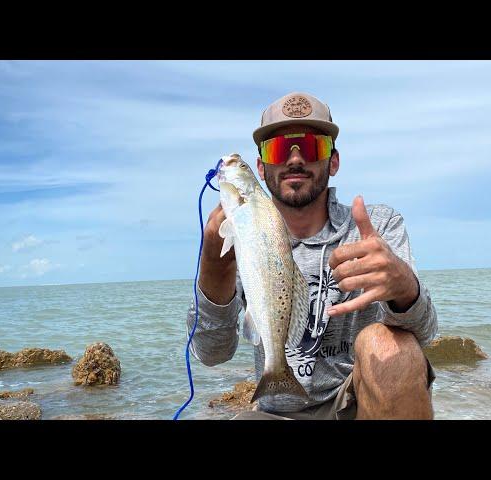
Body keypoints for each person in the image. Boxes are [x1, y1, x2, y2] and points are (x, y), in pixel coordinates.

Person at [187, 92, 438, 419]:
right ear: (261, 169)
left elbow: (426, 336)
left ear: (333, 161)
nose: (295, 160)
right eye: (278, 148)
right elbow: (210, 354)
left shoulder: (378, 227)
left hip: (357, 402)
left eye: (311, 147)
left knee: (392, 346)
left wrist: (405, 288)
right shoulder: (241, 237)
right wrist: (213, 265)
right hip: (273, 411)